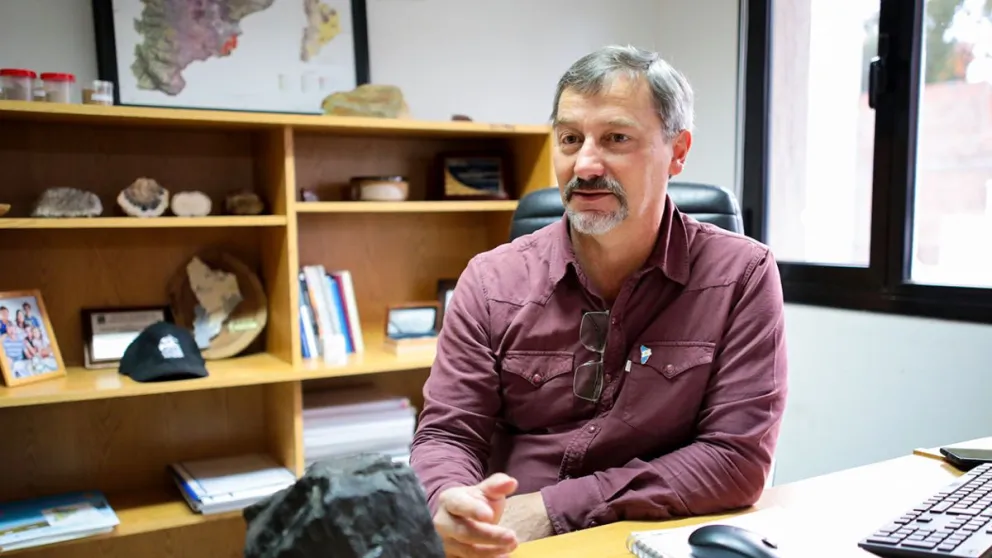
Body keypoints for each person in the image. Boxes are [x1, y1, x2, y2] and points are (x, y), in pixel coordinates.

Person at [409, 44, 788, 557]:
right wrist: (450, 498)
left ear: (678, 151)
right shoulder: (491, 280)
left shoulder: (741, 275)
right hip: (510, 542)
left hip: (653, 538)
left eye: (615, 138)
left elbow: (736, 459)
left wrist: (551, 508)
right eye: (570, 139)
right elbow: (447, 435)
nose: (585, 164)